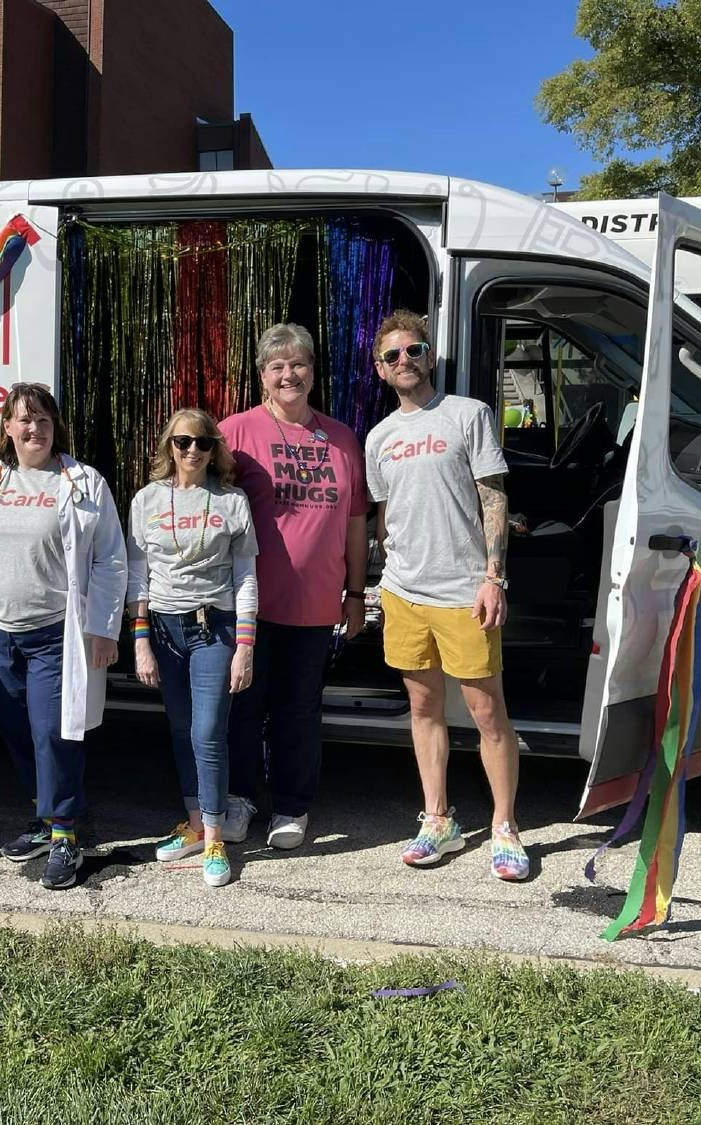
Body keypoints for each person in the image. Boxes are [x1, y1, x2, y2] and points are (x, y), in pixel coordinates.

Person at [364, 309, 528, 881]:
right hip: (405, 592)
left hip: (466, 592)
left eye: (413, 351)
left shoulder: (468, 415)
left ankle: (504, 827)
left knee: (487, 712)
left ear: (429, 357)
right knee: (423, 707)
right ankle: (438, 818)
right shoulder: (379, 437)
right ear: (380, 370)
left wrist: (493, 576)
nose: (404, 361)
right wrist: (380, 580)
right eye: (392, 356)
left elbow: (494, 497)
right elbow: (386, 517)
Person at [0, 384, 127, 891]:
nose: (34, 429)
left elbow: (111, 560)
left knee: (53, 733)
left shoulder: (82, 482)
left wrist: (101, 627)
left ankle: (65, 836)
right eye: (23, 420)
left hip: (56, 633)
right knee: (16, 731)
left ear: (56, 427)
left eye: (43, 420)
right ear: (7, 428)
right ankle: (42, 816)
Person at [220, 324, 369, 850]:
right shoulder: (234, 432)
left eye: (298, 364)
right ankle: (237, 800)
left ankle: (290, 806)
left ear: (312, 371)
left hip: (315, 606)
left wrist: (356, 594)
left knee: (299, 711)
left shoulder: (343, 438)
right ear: (262, 377)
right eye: (277, 366)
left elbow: (355, 523)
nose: (289, 375)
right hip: (247, 605)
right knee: (241, 707)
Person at [128, 409, 258, 887]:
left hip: (214, 628)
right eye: (183, 442)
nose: (192, 452)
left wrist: (245, 645)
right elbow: (136, 575)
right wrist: (140, 641)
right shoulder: (146, 500)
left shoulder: (231, 501)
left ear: (214, 449)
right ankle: (196, 824)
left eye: (203, 443)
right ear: (169, 446)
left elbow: (245, 577)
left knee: (208, 731)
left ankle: (217, 835)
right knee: (181, 729)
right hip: (164, 629)